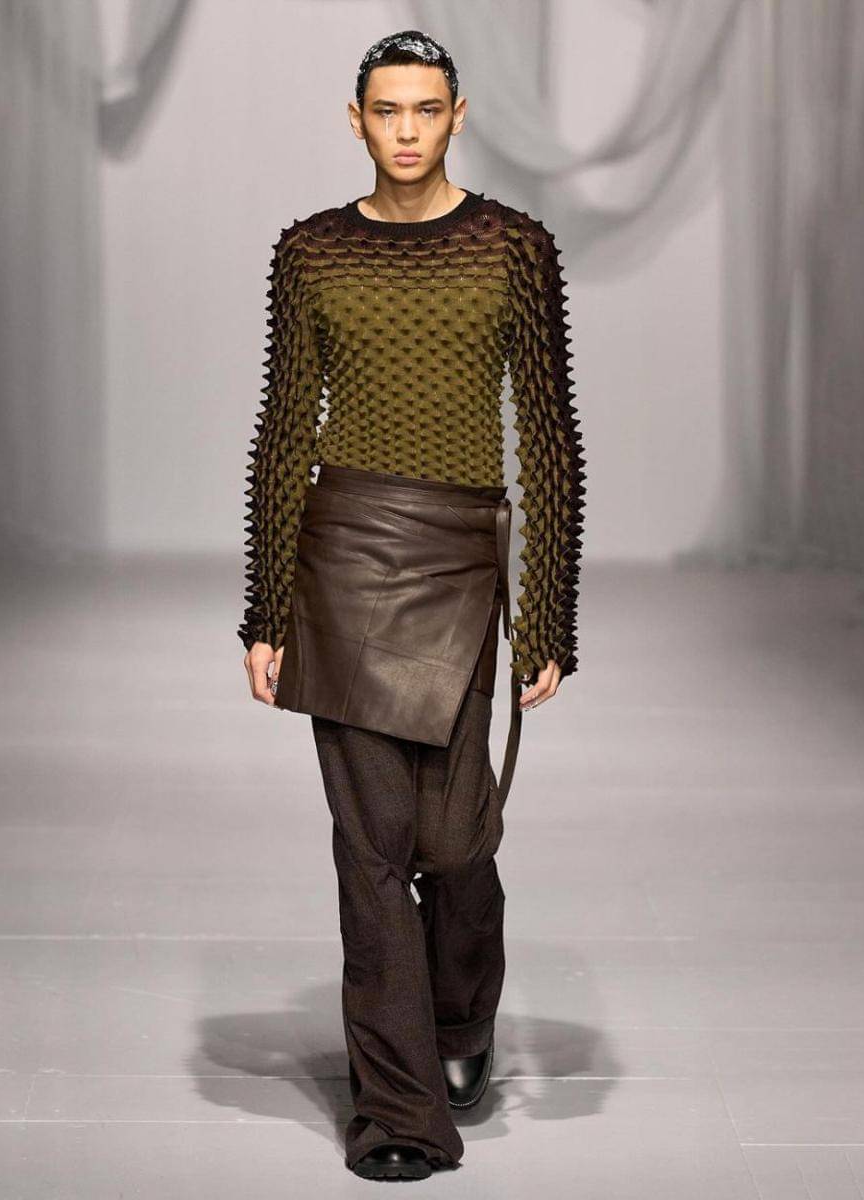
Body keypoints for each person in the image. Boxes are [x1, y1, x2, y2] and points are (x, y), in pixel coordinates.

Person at [238, 30, 586, 1182]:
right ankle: (397, 1112)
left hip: (458, 561)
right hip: (345, 554)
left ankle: (460, 1010)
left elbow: (547, 435)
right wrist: (265, 609)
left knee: (452, 840)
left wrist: (548, 614)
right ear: (357, 119)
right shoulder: (312, 252)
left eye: (425, 110)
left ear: (457, 116)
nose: (405, 130)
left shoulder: (513, 247)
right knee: (373, 849)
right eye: (386, 110)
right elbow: (286, 427)